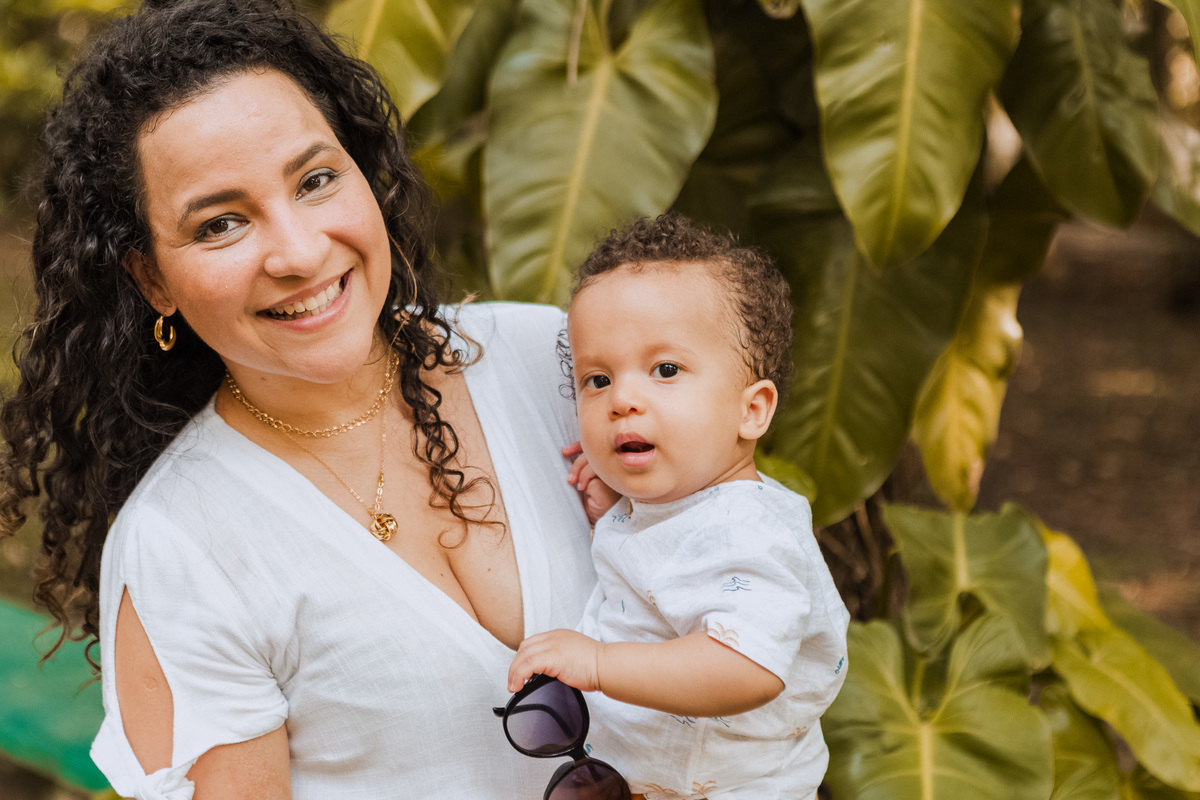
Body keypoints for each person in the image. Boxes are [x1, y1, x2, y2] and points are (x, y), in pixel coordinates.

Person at [0, 1, 600, 797]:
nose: (299, 251)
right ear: (153, 280)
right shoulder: (183, 546)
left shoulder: (556, 361)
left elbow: (760, 601)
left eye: (316, 180)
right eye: (220, 225)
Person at [508, 215, 851, 800]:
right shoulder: (679, 509)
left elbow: (745, 666)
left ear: (753, 411)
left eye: (665, 370)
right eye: (596, 379)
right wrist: (615, 513)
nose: (623, 399)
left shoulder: (748, 530)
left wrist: (597, 663)